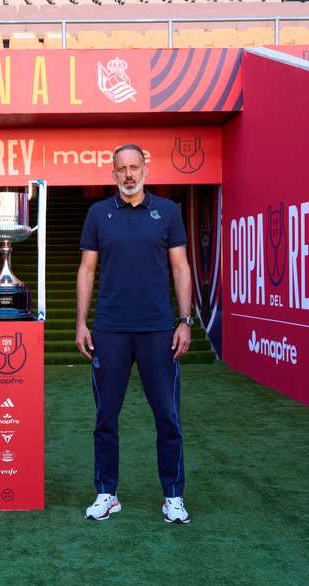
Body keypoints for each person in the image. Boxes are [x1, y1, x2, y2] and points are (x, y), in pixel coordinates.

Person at [75, 144, 194, 524]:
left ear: (145, 168)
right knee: (106, 417)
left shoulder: (169, 212)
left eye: (134, 167)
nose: (128, 175)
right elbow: (87, 270)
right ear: (113, 174)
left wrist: (185, 320)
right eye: (121, 169)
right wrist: (81, 322)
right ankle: (107, 493)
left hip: (158, 330)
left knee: (168, 418)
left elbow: (180, 267)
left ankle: (173, 496)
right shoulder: (98, 214)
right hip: (110, 330)